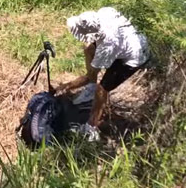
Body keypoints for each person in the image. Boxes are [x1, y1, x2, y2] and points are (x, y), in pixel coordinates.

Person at [54, 7, 150, 140]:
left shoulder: (107, 46)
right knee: (88, 48)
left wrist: (66, 86)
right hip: (124, 43)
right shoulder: (106, 12)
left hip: (134, 57)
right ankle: (90, 90)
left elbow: (88, 77)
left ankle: (91, 126)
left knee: (102, 88)